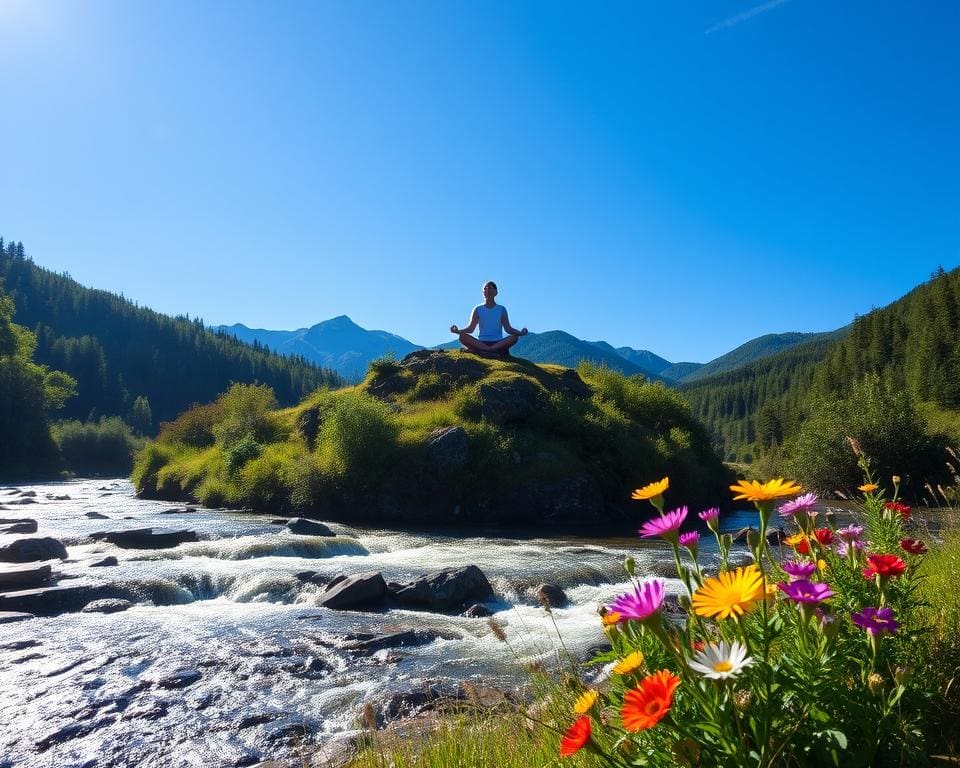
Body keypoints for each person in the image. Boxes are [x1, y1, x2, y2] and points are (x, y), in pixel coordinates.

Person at [450, 281, 528, 354]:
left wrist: (521, 333)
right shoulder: (478, 309)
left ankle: (487, 350)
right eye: (485, 288)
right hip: (482, 342)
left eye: (490, 288)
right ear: (483, 292)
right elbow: (470, 329)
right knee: (462, 336)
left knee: (514, 337)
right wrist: (457, 331)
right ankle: (490, 350)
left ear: (496, 292)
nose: (487, 289)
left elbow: (508, 329)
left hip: (498, 342)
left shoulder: (501, 309)